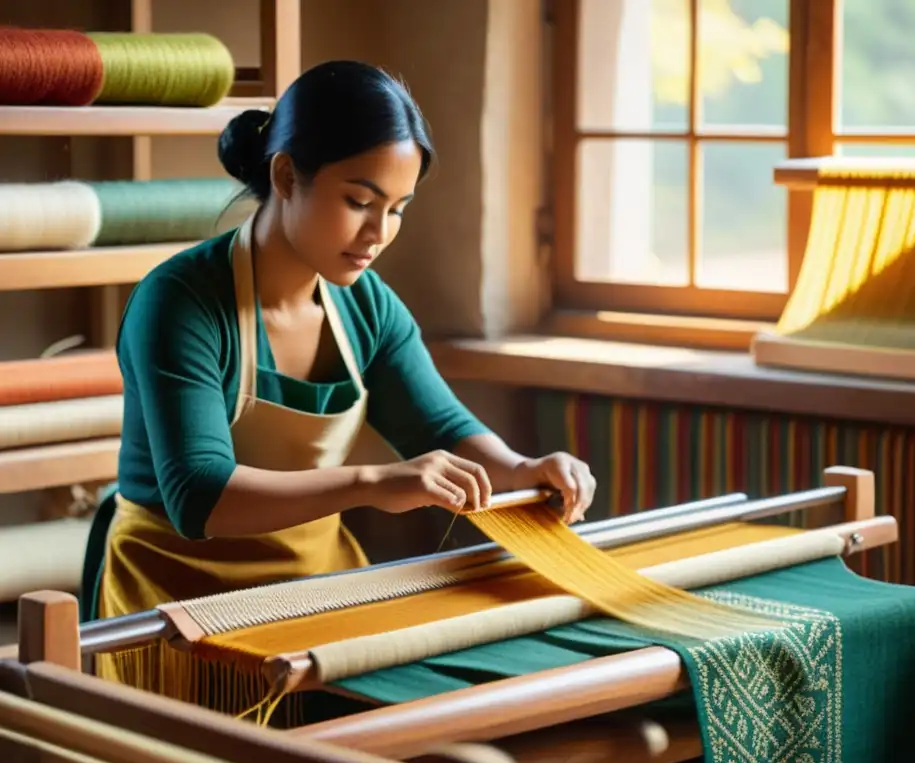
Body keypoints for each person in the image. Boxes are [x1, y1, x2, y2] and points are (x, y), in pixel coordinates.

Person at [79, 60, 596, 634]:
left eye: (397, 209)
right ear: (284, 176)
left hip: (312, 594)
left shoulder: (367, 306)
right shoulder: (180, 303)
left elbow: (442, 429)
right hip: (171, 604)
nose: (379, 233)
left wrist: (527, 470)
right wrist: (376, 482)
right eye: (359, 201)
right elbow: (201, 497)